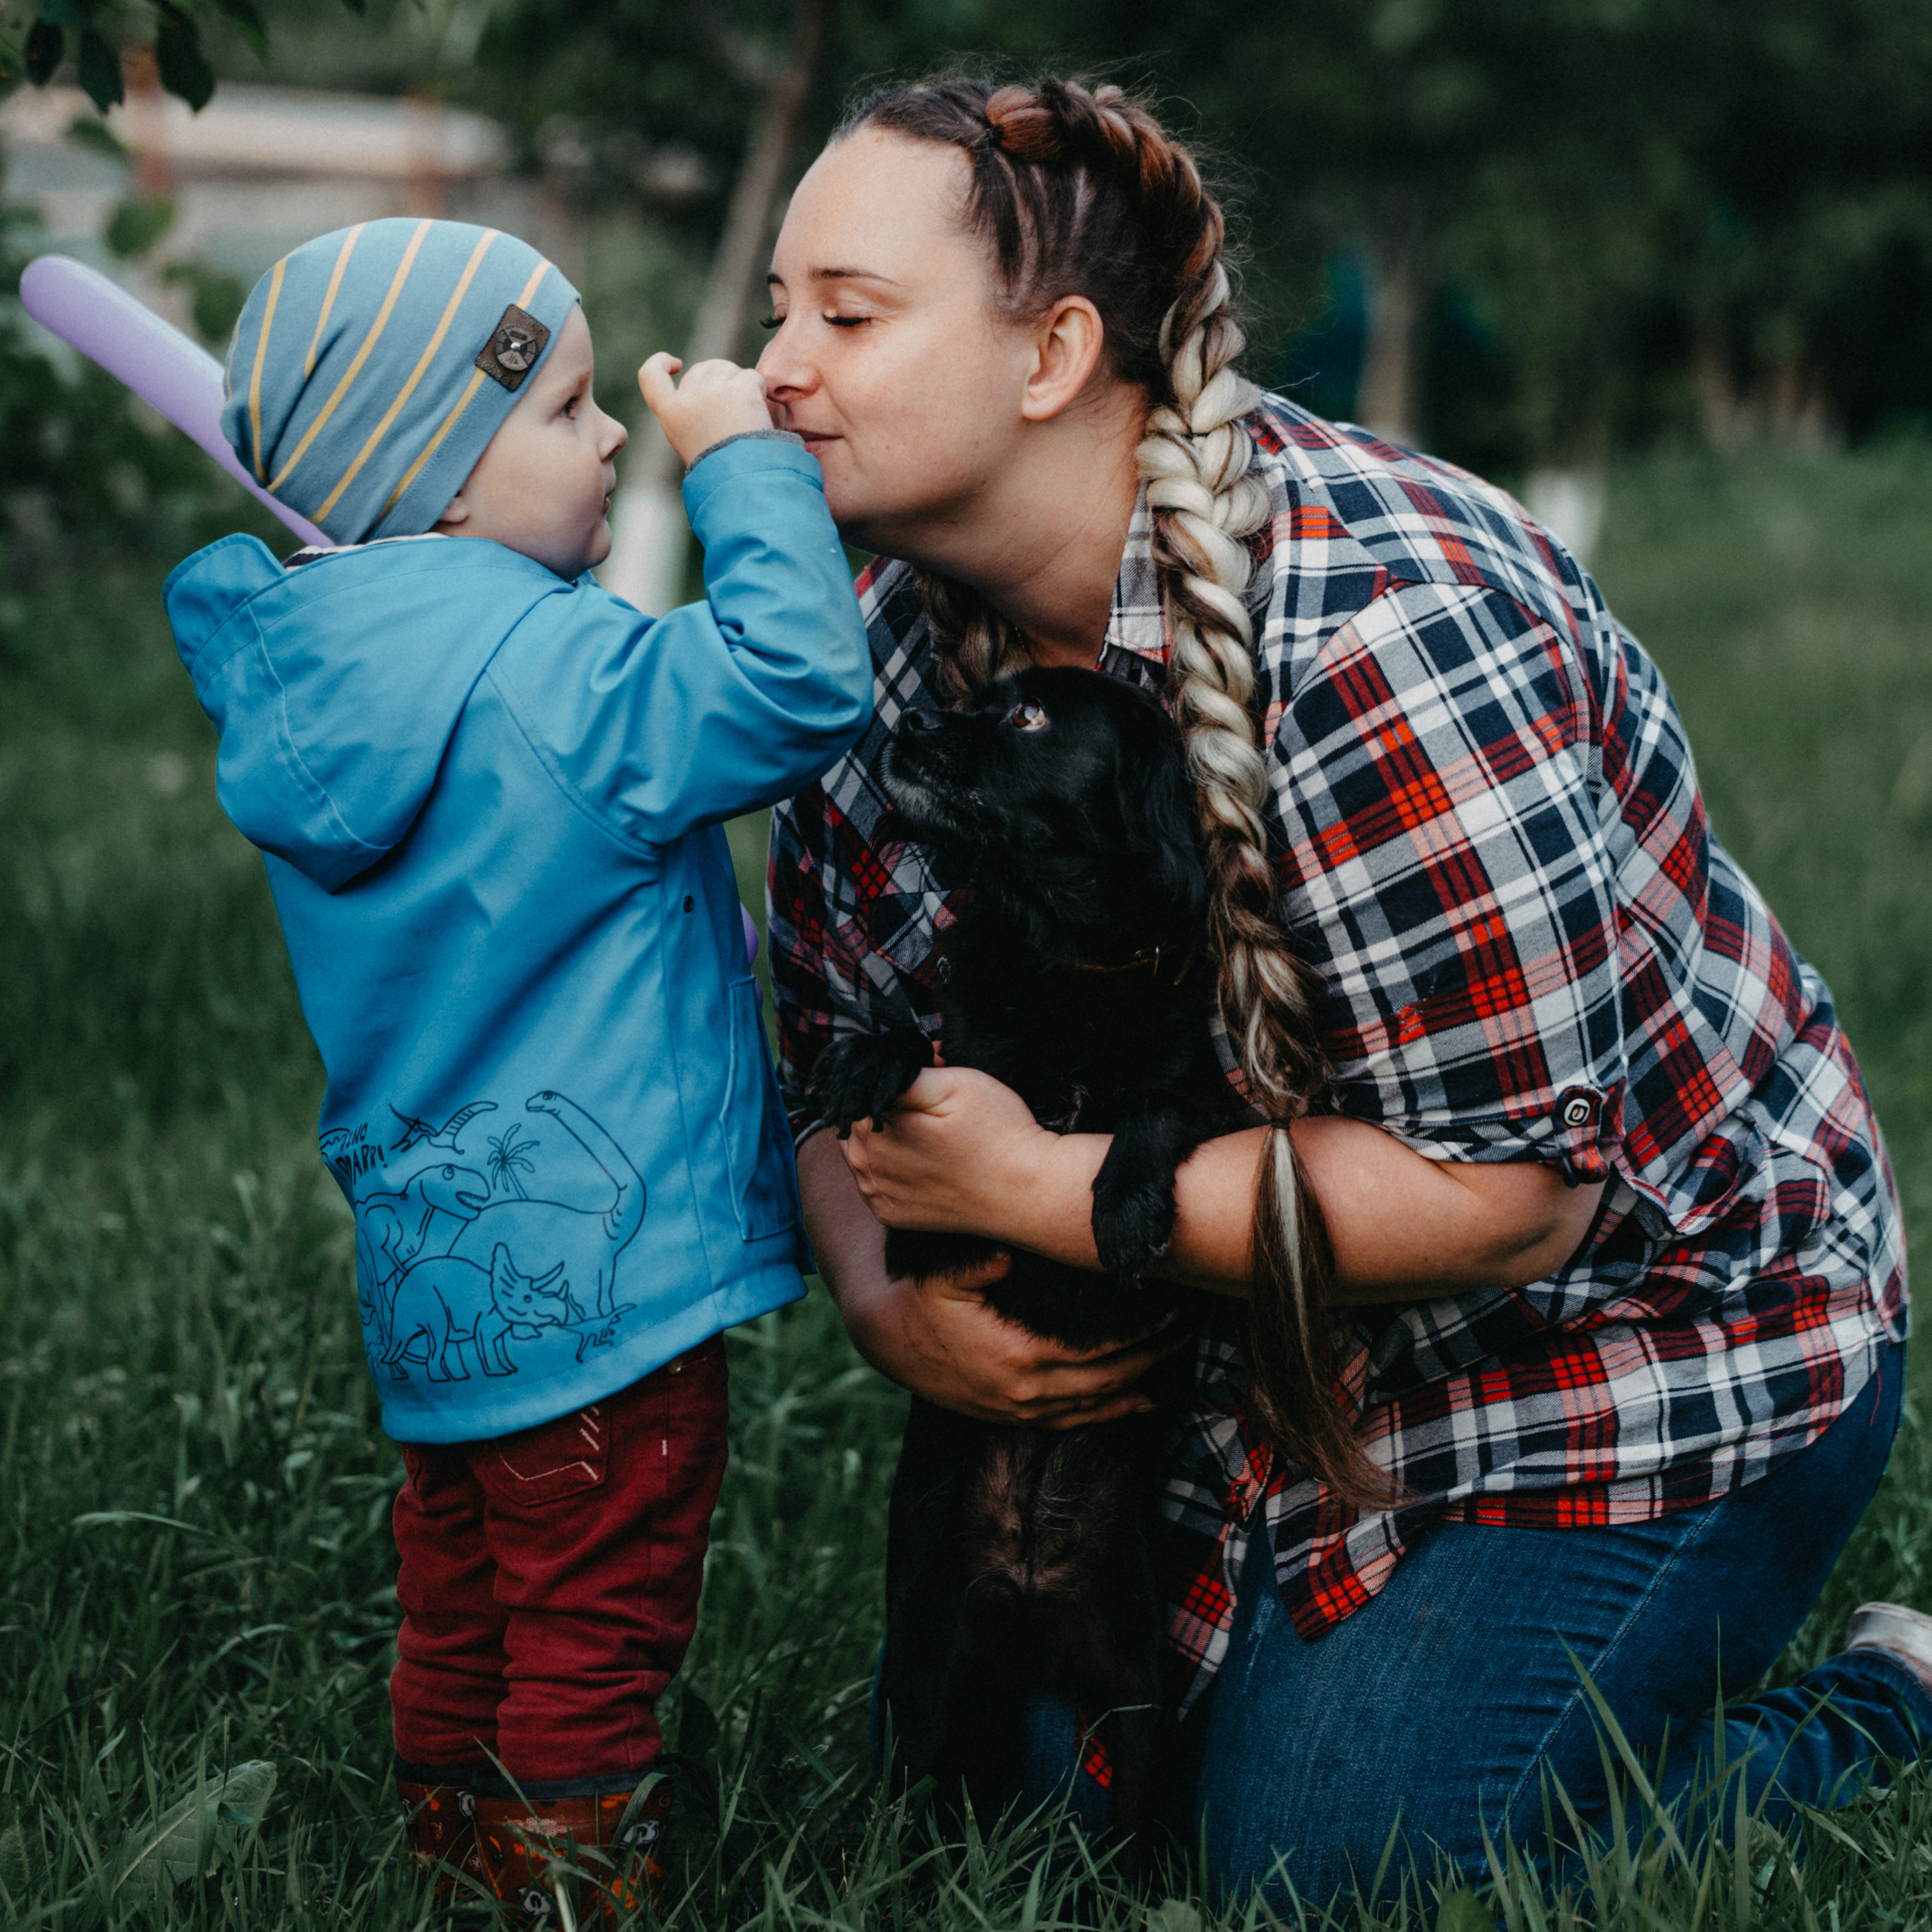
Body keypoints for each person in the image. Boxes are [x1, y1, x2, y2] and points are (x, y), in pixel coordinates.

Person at [758, 78, 1924, 1899]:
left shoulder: (1384, 636)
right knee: (1014, 1819)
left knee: (1324, 1864)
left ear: (1054, 351)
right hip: (1235, 1362)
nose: (773, 368)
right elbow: (822, 1039)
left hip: (1631, 1339)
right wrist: (871, 1287)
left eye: (843, 314)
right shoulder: (874, 634)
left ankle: (1872, 1703)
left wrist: (1028, 1195)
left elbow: (1512, 1201)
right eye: (774, 311)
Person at [162, 217, 870, 1921]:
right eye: (562, 407)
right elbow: (792, 683)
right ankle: (564, 1884)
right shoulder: (554, 673)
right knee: (593, 1619)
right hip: (614, 1287)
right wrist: (751, 475)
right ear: (445, 480)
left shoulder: (321, 691)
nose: (612, 433)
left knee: (467, 1593)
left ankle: (446, 1856)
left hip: (443, 1286)